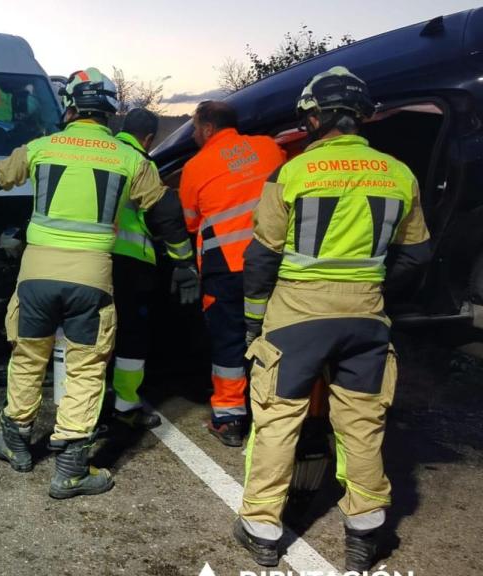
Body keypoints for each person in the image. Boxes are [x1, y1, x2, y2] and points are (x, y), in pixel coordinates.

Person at [0, 68, 197, 499]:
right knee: (86, 367)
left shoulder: (42, 147)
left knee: (28, 357)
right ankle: (71, 470)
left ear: (70, 107)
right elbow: (165, 211)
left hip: (36, 273)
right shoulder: (129, 158)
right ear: (109, 112)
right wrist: (184, 262)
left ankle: (16, 441)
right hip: (91, 277)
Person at [233, 66, 430, 571]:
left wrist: (253, 322)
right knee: (362, 424)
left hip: (296, 317)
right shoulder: (399, 174)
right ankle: (364, 533)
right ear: (362, 117)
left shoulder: (292, 172)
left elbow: (261, 257)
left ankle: (262, 529)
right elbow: (416, 254)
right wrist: (374, 292)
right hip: (366, 319)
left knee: (278, 419)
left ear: (314, 117)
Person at [179, 101, 286, 446]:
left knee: (228, 340)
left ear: (208, 128)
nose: (193, 135)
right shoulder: (269, 147)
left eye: (195, 128)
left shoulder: (195, 166)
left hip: (225, 266)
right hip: (273, 262)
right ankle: (275, 412)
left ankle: (229, 419)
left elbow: (190, 221)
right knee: (273, 336)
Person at [109, 108, 197, 429]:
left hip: (91, 259)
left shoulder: (102, 155)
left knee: (92, 334)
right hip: (132, 263)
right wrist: (184, 261)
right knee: (131, 336)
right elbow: (163, 215)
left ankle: (84, 408)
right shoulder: (140, 164)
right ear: (148, 139)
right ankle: (126, 406)